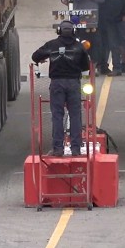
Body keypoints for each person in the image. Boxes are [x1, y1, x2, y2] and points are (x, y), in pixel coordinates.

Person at [31, 20, 91, 157]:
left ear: (59, 31)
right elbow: (86, 66)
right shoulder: (79, 46)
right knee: (75, 115)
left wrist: (45, 58)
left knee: (57, 115)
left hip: (57, 83)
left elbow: (35, 56)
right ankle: (76, 149)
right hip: (73, 83)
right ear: (73, 32)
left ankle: (58, 148)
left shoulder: (51, 45)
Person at [67, 0, 105, 72]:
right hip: (79, 19)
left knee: (96, 43)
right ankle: (81, 66)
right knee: (80, 43)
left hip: (93, 20)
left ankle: (94, 66)